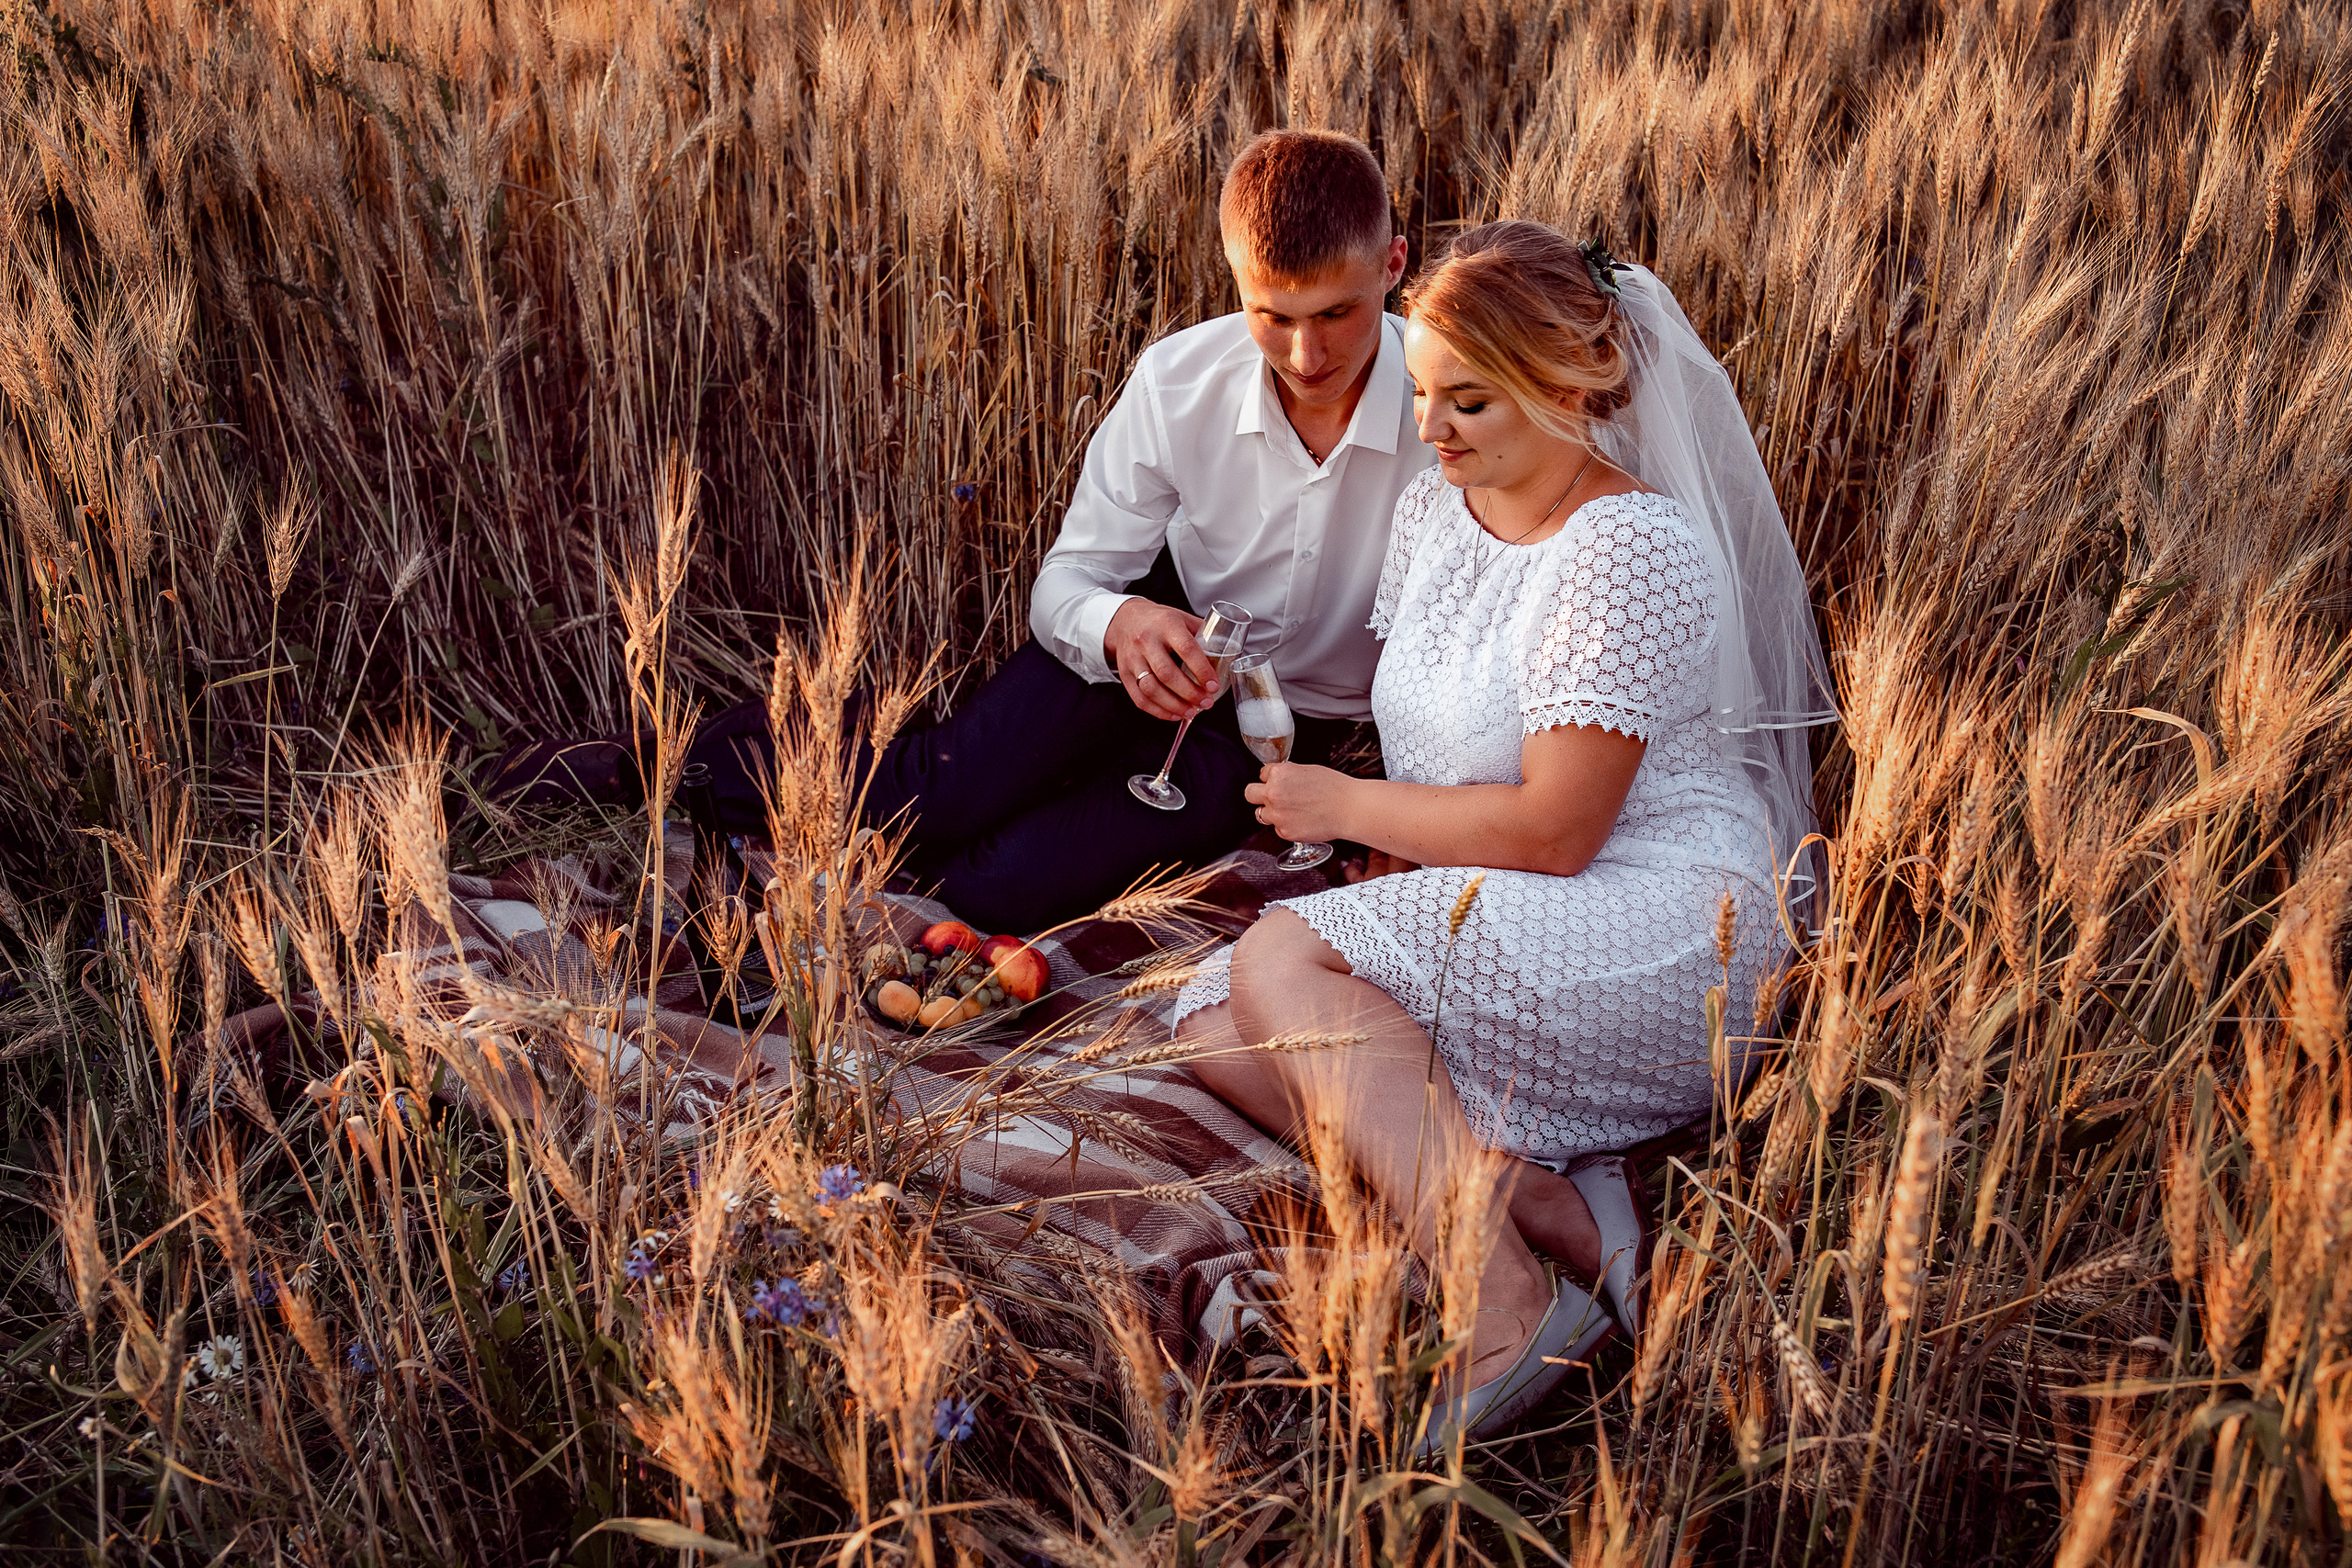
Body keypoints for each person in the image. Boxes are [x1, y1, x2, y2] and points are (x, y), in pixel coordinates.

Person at [1167, 221, 1834, 1449]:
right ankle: (1566, 1209)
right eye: (1423, 392)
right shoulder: (1442, 513)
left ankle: (1508, 1302)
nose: (1433, 428)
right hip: (1516, 887)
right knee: (1216, 1025)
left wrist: (1346, 806)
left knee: (1277, 966)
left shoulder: (1628, 545)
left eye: (1470, 400)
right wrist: (1407, 853)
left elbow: (1559, 824)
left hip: (1674, 911)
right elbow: (1456, 753)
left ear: (1573, 387)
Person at [682, 130, 1435, 932]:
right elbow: (1067, 581)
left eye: (1336, 312)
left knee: (1001, 887)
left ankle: (878, 851)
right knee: (939, 797)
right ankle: (677, 759)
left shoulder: (1452, 414)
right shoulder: (1177, 381)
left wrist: (1409, 816)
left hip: (1283, 731)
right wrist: (1121, 624)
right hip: (1159, 634)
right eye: (1271, 315)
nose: (1306, 352)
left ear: (1392, 266)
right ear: (1236, 281)